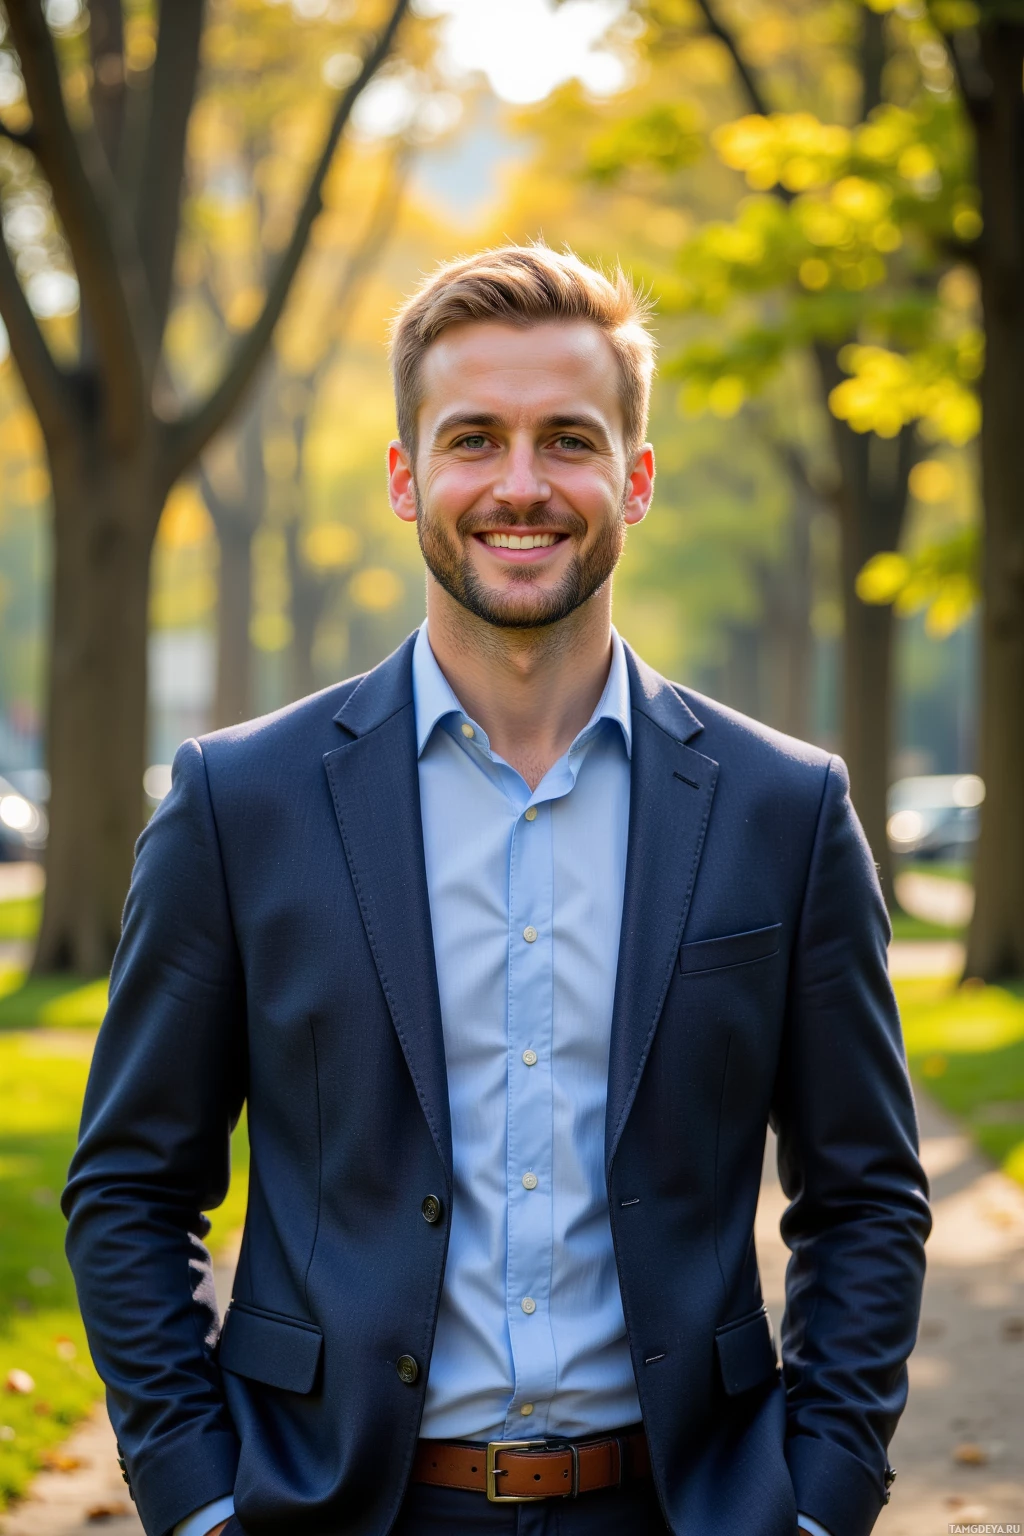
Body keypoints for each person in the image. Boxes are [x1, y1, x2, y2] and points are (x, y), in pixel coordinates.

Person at [64, 245, 930, 1536]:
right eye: (474, 438)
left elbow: (865, 1195)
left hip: (685, 1509)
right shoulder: (239, 803)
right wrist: (196, 1504)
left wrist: (821, 1503)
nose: (521, 486)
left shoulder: (783, 810)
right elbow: (130, 1188)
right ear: (408, 474)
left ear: (634, 480)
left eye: (567, 440)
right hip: (337, 1510)